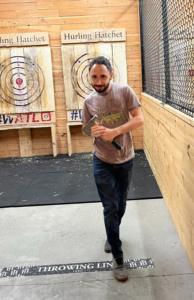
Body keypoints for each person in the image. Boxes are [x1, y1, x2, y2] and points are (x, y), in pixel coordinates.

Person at [81, 56, 144, 282]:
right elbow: (85, 130)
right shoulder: (89, 101)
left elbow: (139, 120)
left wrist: (114, 131)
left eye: (103, 76)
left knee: (121, 204)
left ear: (111, 75)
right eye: (94, 77)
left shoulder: (125, 91)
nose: (98, 81)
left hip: (125, 158)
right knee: (110, 206)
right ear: (89, 77)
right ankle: (117, 257)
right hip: (102, 160)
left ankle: (111, 233)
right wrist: (94, 130)